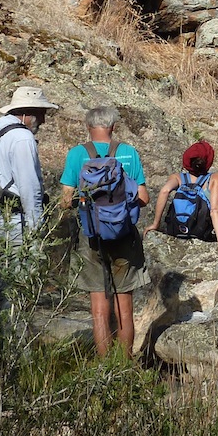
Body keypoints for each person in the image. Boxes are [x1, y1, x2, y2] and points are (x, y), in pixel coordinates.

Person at [58, 105, 150, 357]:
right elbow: (143, 197)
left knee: (99, 309)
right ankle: (124, 366)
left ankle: (104, 368)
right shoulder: (128, 153)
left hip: (91, 236)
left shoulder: (77, 154)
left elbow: (65, 201)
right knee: (124, 307)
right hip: (124, 235)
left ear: (88, 127)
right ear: (113, 127)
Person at [0, 84, 58, 246]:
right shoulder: (23, 138)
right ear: (28, 112)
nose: (43, 121)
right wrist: (36, 225)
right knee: (24, 262)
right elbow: (29, 186)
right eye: (41, 114)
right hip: (17, 223)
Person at [145, 141, 218, 253]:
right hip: (202, 234)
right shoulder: (215, 178)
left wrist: (156, 224)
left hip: (177, 232)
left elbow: (164, 191)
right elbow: (215, 209)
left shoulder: (177, 177)